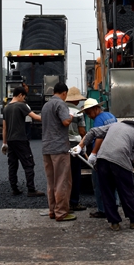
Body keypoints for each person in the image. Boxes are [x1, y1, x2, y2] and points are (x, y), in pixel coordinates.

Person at [75, 120, 134, 231]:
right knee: (126, 192)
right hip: (120, 161)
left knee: (107, 192)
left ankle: (114, 223)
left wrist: (80, 146)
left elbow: (92, 131)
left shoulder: (114, 125)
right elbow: (131, 158)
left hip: (102, 160)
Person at [41, 82, 77, 222]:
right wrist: (72, 117)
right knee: (62, 181)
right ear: (64, 93)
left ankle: (52, 211)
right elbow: (66, 122)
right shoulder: (61, 104)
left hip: (46, 147)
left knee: (51, 182)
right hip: (59, 148)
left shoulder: (46, 105)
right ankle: (61, 213)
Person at [2, 86, 44, 197]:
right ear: (20, 95)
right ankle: (31, 189)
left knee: (12, 165)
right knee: (29, 164)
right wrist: (50, 117)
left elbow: (4, 128)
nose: (24, 99)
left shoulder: (6, 108)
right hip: (20, 139)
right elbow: (36, 117)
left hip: (10, 140)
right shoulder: (21, 106)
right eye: (24, 96)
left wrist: (4, 143)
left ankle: (14, 188)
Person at [80, 98, 117, 218]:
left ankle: (102, 210)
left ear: (96, 109)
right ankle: (114, 206)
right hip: (113, 152)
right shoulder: (111, 116)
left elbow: (99, 137)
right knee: (112, 182)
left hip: (102, 154)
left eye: (89, 113)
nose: (89, 116)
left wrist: (94, 153)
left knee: (98, 183)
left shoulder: (98, 119)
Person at [65, 87, 87, 212]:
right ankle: (74, 202)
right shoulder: (78, 112)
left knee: (63, 175)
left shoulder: (61, 109)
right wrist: (85, 144)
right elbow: (82, 131)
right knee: (75, 174)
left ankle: (63, 202)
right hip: (74, 146)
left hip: (62, 145)